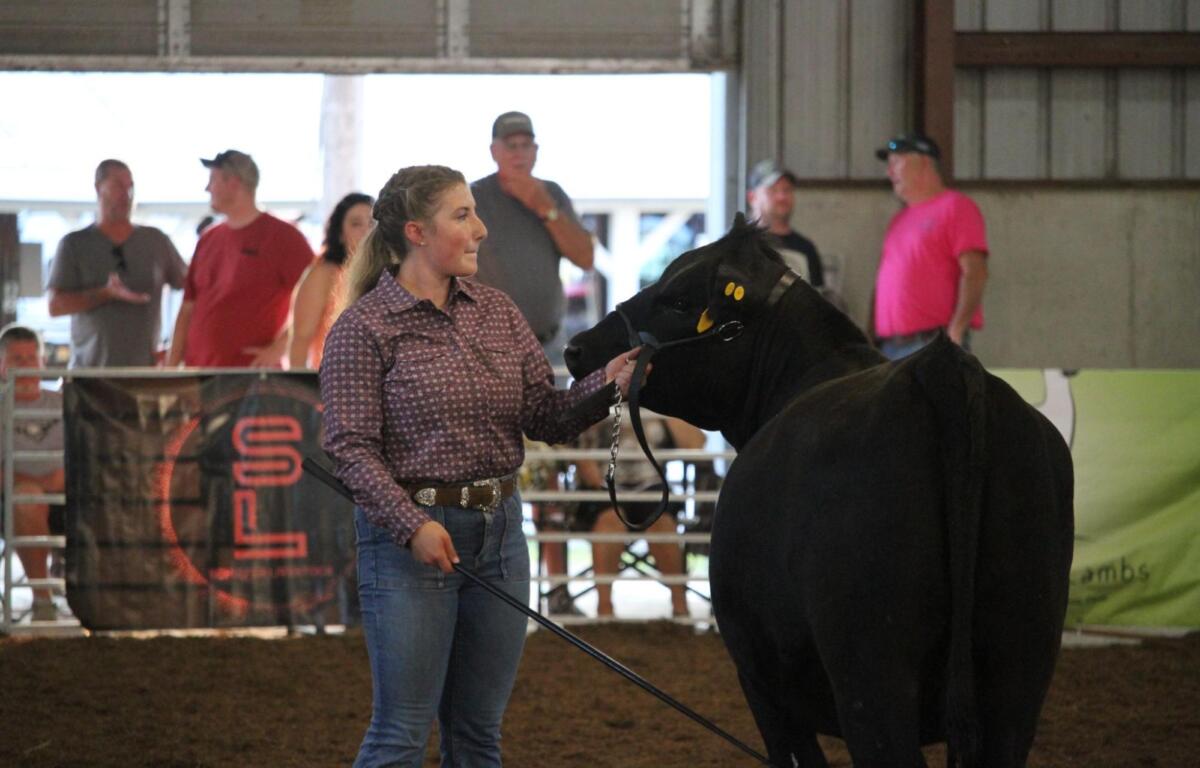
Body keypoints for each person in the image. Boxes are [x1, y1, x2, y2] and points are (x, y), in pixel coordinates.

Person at [319, 164, 642, 768]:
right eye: (462, 215)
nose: (481, 229)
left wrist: (608, 382)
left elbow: (545, 415)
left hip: (500, 535)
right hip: (411, 542)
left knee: (477, 735)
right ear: (417, 232)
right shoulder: (363, 327)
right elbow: (350, 448)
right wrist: (412, 526)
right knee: (401, 733)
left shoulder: (496, 310)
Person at [470, 110, 596, 614]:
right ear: (494, 150)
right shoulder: (474, 198)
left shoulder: (553, 194)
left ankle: (557, 587)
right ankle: (486, 581)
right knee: (489, 465)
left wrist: (545, 208)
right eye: (511, 144)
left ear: (536, 150)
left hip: (547, 350)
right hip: (488, 353)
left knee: (551, 472)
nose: (519, 152)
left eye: (527, 144)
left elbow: (586, 256)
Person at [166, 149, 314, 368]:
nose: (207, 188)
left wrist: (279, 349)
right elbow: (188, 307)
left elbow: (317, 300)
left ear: (233, 183)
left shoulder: (284, 237)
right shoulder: (208, 238)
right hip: (198, 373)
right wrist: (170, 370)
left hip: (250, 376)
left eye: (213, 180)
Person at [46, 159, 187, 367]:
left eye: (130, 187)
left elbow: (193, 288)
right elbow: (55, 306)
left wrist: (178, 347)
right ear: (98, 188)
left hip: (145, 372)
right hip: (89, 374)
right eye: (118, 186)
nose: (126, 195)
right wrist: (105, 294)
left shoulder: (156, 241)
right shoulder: (74, 244)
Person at [572, 411, 705, 619]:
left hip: (652, 485)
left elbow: (696, 443)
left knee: (662, 524)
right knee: (609, 522)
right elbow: (580, 452)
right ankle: (604, 612)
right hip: (605, 486)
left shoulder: (656, 403)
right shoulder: (598, 401)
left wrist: (664, 411)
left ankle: (680, 608)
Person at [872, 133, 989, 360]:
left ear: (924, 162)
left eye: (896, 162)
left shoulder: (956, 207)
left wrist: (957, 329)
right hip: (890, 348)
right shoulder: (898, 221)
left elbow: (976, 272)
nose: (890, 172)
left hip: (932, 344)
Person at [0, 325, 65, 623]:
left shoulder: (66, 404)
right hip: (13, 504)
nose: (26, 367)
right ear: (2, 365)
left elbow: (87, 454)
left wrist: (63, 476)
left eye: (31, 358)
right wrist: (34, 485)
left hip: (69, 499)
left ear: (42, 362)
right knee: (28, 498)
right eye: (17, 359)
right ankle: (43, 600)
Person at [287, 192, 374, 369]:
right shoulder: (324, 274)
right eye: (356, 224)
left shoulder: (392, 274)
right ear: (340, 234)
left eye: (372, 223)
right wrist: (300, 383)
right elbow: (301, 339)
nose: (367, 231)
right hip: (333, 379)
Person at [746, 158, 826, 289]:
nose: (781, 197)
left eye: (787, 190)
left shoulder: (806, 249)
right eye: (772, 190)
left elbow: (817, 296)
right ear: (752, 197)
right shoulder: (739, 245)